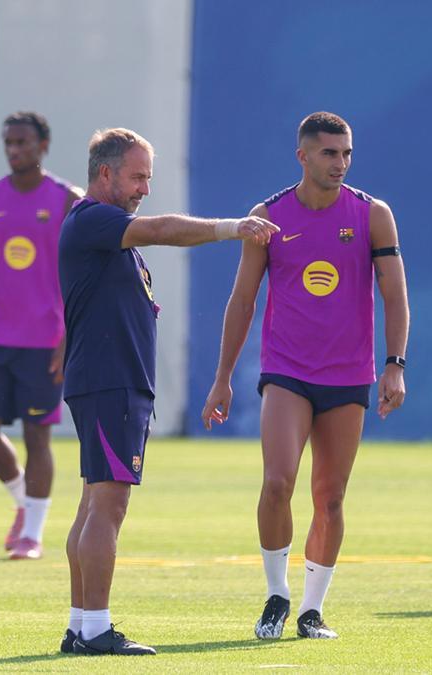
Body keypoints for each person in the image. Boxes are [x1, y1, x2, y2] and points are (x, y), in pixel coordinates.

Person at [58, 128, 277, 656]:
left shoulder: (100, 229)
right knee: (107, 507)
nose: (144, 189)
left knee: (92, 506)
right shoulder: (94, 219)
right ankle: (95, 629)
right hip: (111, 381)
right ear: (105, 173)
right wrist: (231, 228)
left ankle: (79, 623)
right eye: (137, 177)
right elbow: (160, 228)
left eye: (149, 178)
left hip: (109, 380)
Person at [201, 111, 411, 640]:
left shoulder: (372, 214)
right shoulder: (268, 216)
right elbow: (243, 300)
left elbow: (394, 295)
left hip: (347, 377)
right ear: (302, 156)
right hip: (287, 372)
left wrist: (394, 365)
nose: (339, 163)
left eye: (346, 154)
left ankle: (313, 610)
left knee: (331, 496)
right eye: (328, 153)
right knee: (277, 483)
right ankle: (276, 594)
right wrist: (223, 376)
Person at [0, 112, 83, 559]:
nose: (14, 150)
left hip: (45, 339)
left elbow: (80, 276)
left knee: (36, 437)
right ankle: (25, 502)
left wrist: (70, 337)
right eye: (8, 142)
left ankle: (32, 532)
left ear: (43, 145)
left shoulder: (67, 199)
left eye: (23, 142)